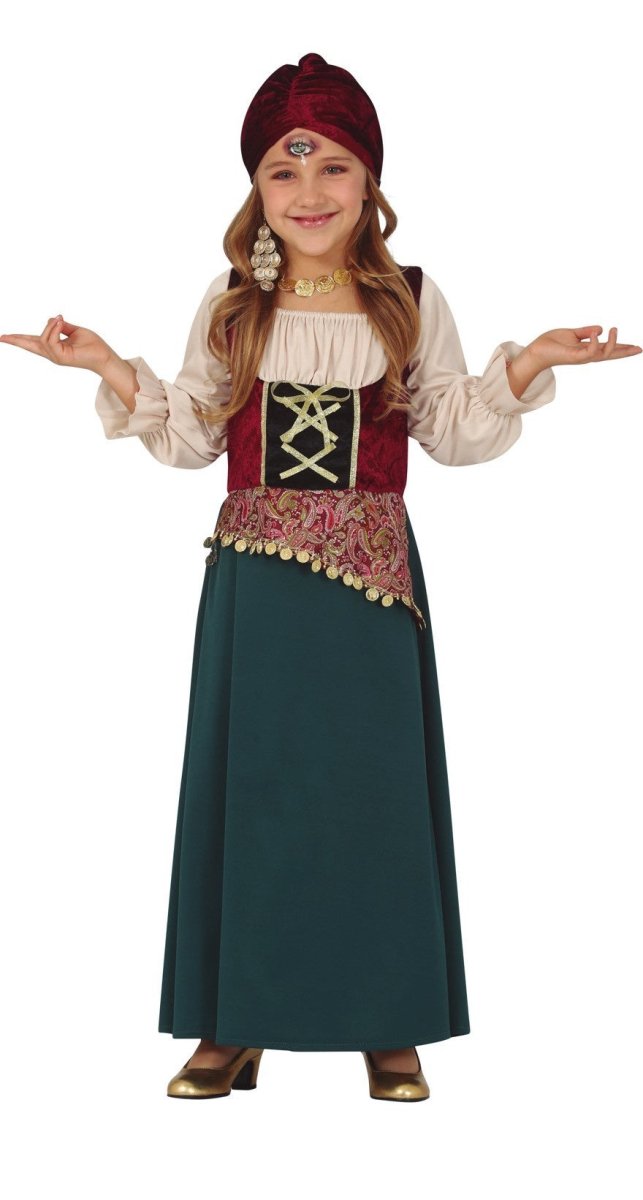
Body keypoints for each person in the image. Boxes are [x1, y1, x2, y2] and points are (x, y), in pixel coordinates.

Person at [1, 52, 640, 1105]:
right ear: (257, 186)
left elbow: (452, 431)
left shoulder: (409, 300)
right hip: (255, 591)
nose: (309, 193)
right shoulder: (233, 303)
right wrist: (110, 369)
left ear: (369, 182)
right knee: (254, 793)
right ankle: (234, 1020)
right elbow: (190, 439)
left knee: (371, 796)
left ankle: (387, 1018)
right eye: (284, 171)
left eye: (333, 167)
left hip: (373, 590)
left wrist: (528, 365)